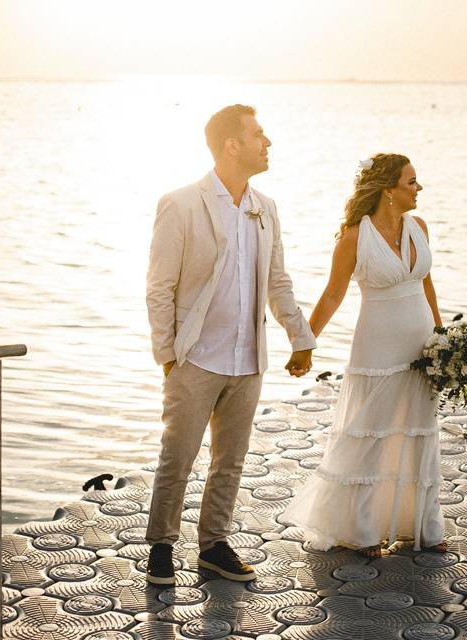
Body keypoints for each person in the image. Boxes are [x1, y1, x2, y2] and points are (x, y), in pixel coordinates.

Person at [144, 104, 316, 585]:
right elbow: (160, 287)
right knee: (177, 456)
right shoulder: (181, 204)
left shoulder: (266, 207)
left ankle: (213, 546)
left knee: (231, 460)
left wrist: (299, 337)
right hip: (195, 357)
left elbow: (276, 281)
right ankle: (161, 546)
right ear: (232, 145)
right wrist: (167, 355)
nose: (268, 143)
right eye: (259, 134)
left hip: (247, 358)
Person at [281, 153, 448, 557]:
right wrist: (306, 343)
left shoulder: (419, 227)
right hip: (378, 344)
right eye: (411, 181)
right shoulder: (355, 236)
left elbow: (427, 284)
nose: (418, 188)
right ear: (389, 189)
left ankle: (418, 525)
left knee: (418, 432)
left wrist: (444, 338)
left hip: (422, 343)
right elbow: (333, 294)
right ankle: (361, 529)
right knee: (371, 434)